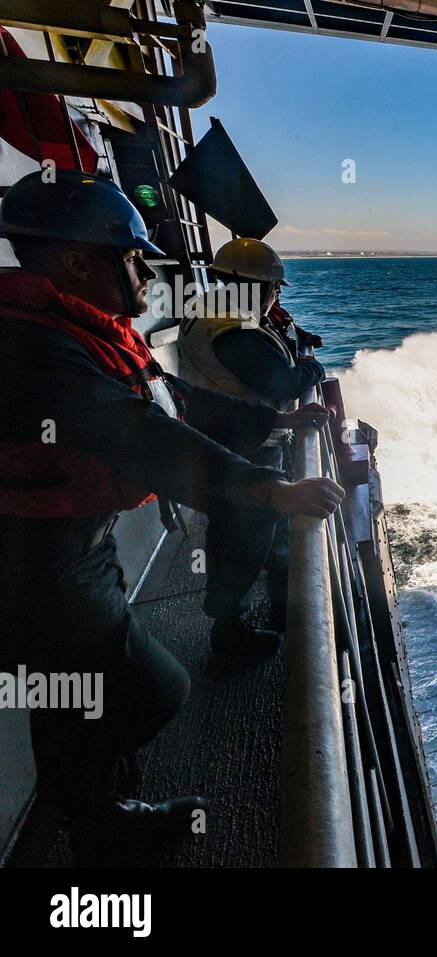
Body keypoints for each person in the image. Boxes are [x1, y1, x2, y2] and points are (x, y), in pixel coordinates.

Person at [0, 169, 343, 856]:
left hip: (74, 543)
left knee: (76, 692)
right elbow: (143, 434)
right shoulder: (36, 346)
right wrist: (266, 488)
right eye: (129, 256)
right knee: (151, 687)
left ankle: (103, 818)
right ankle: (95, 814)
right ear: (75, 261)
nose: (142, 271)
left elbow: (174, 399)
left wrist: (266, 433)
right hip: (42, 556)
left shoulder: (67, 329)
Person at [178, 238, 327, 658]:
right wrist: (312, 366)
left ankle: (277, 604)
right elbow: (282, 382)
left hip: (238, 439)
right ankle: (230, 634)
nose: (276, 296)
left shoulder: (213, 311)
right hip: (245, 446)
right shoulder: (234, 329)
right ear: (252, 287)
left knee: (261, 533)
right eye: (273, 288)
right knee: (240, 539)